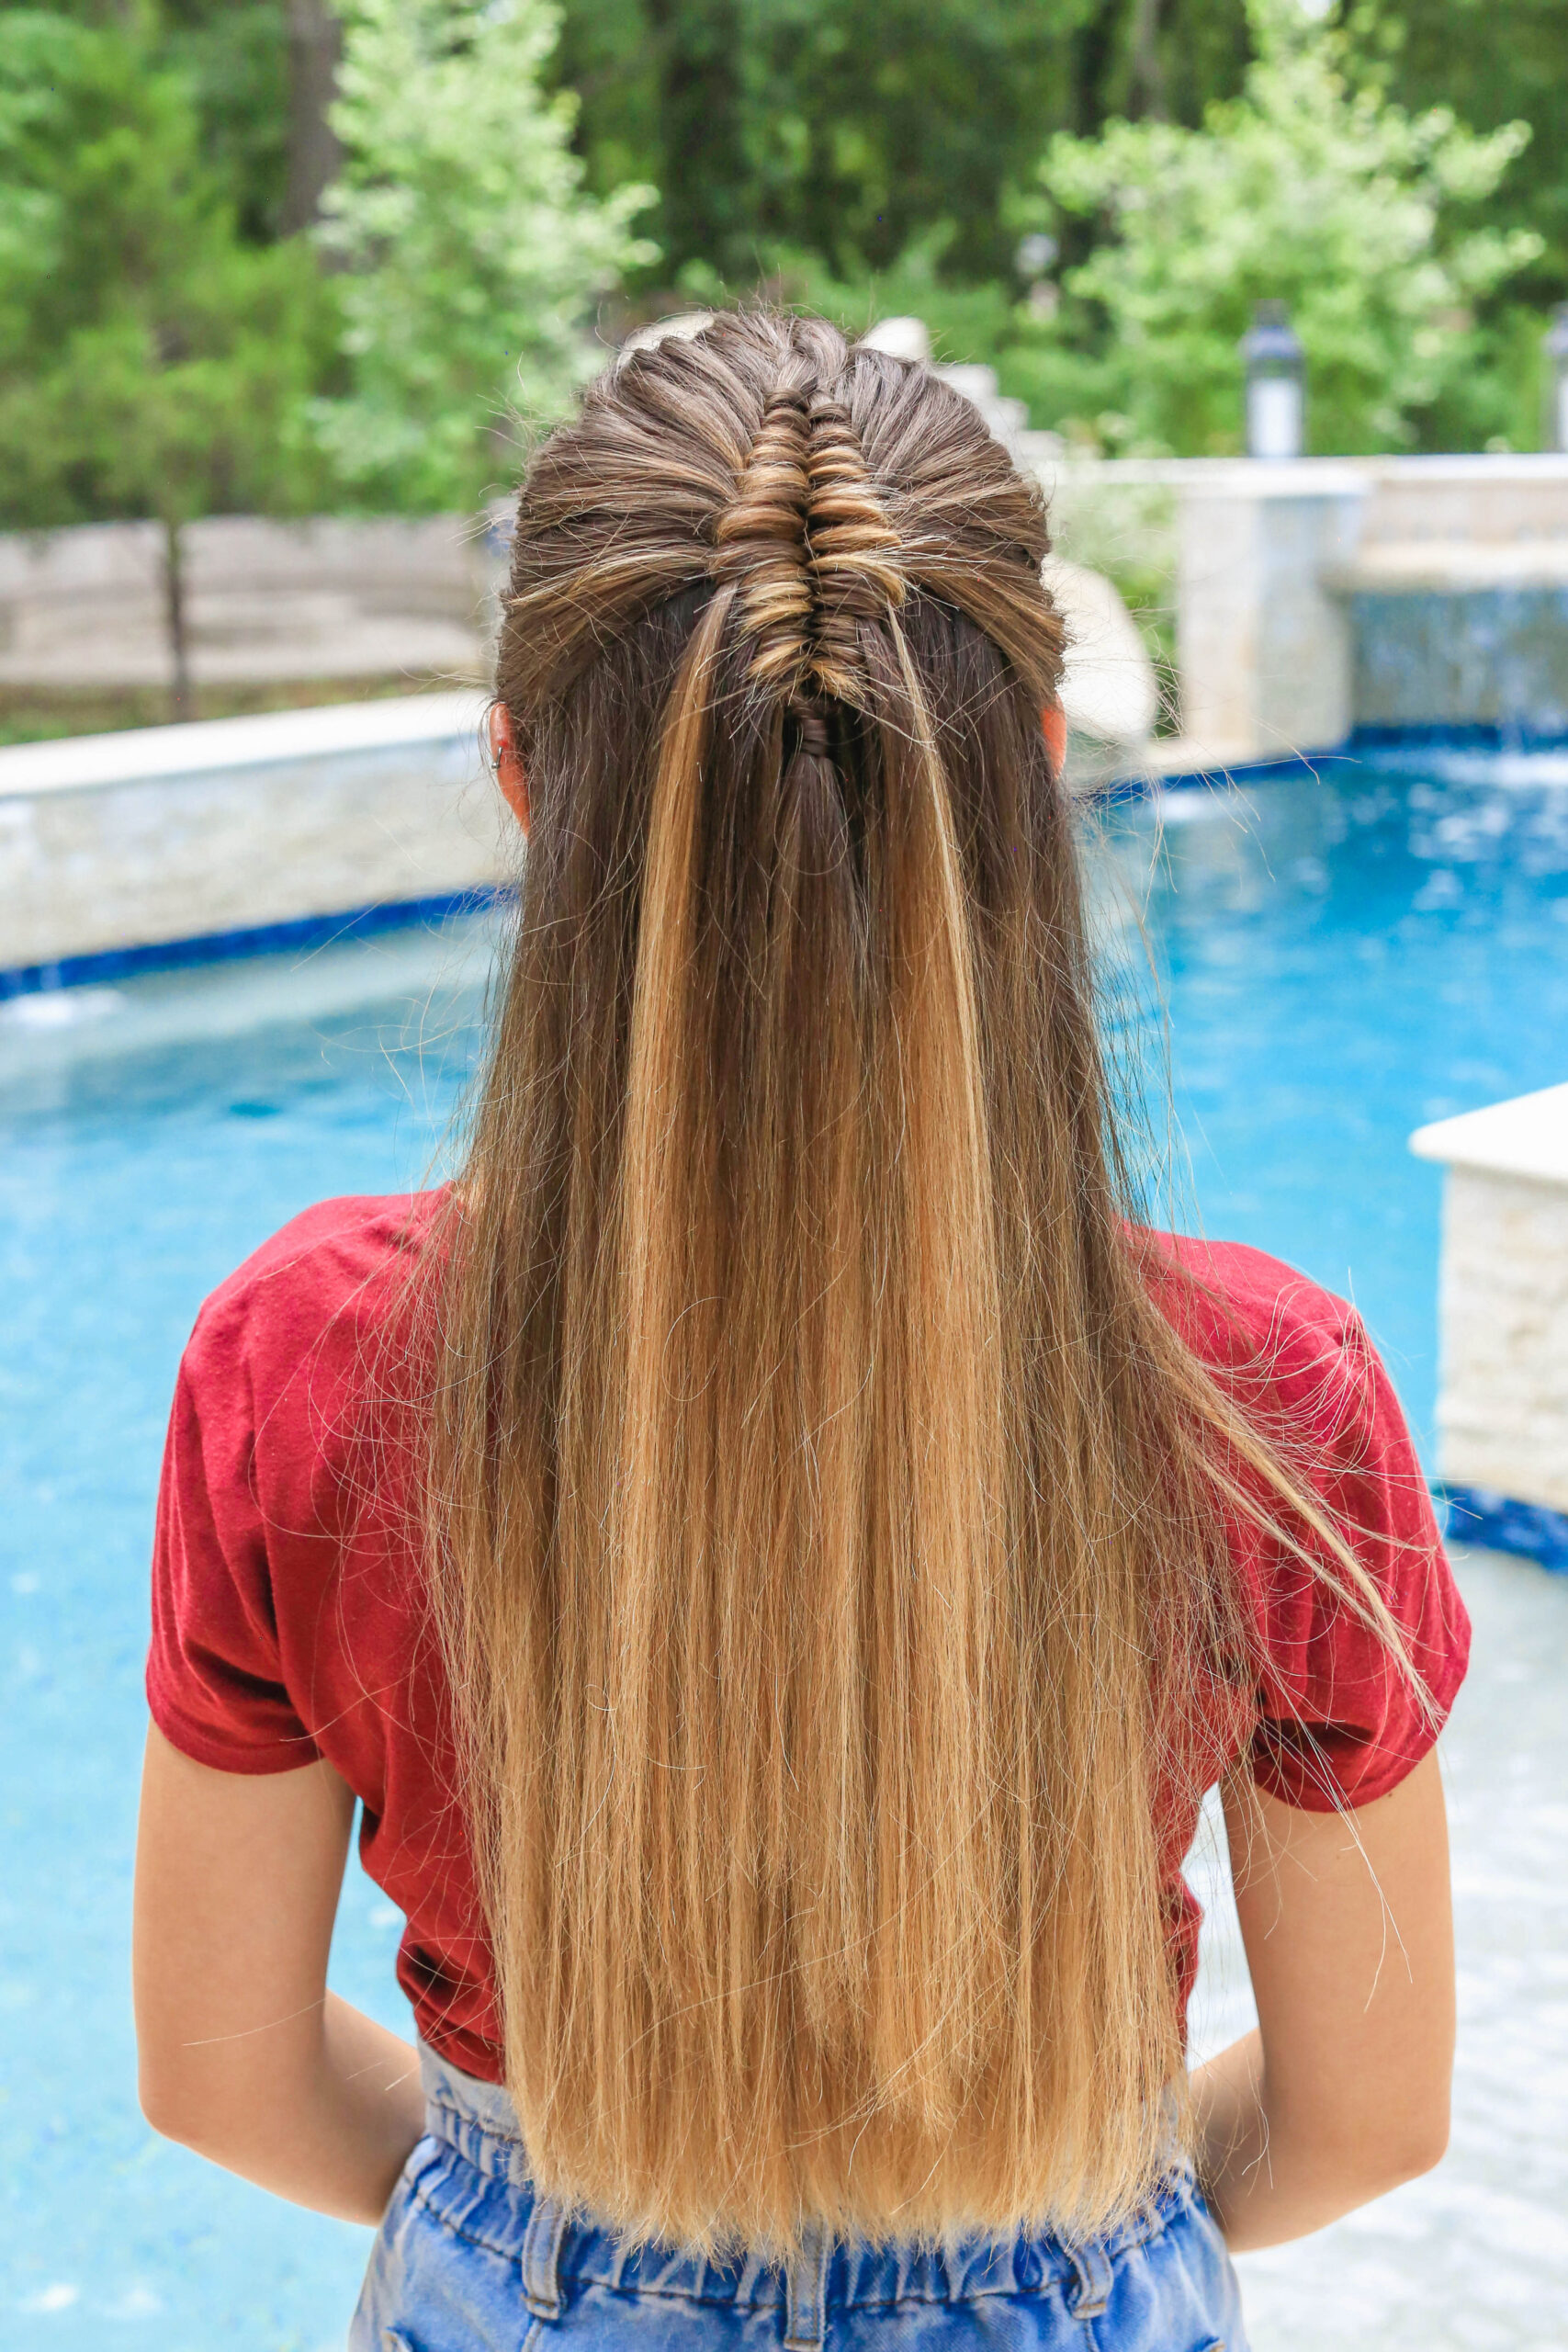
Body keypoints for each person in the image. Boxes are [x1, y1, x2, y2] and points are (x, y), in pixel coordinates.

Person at [133, 310, 1469, 2352]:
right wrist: (1059, 2214)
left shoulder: (305, 1357)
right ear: (1032, 762)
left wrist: (561, 2214)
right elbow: (1362, 2120)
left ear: (519, 773)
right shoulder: (1258, 1394)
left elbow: (217, 2073)